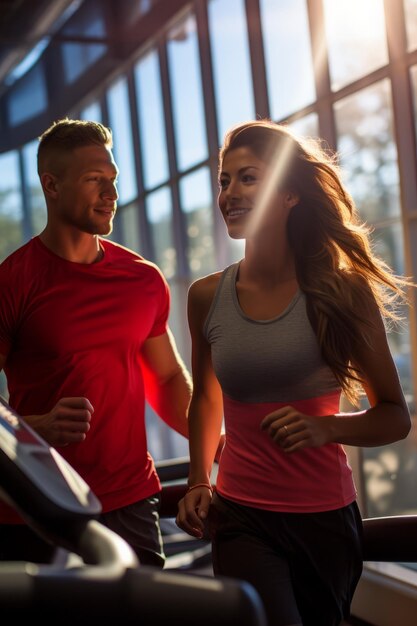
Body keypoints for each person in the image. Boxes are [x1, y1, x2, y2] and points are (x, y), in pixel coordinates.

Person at [176, 119, 413, 626]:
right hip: (239, 516)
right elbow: (206, 397)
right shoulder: (204, 297)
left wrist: (327, 427)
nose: (230, 193)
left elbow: (395, 418)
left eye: (249, 178)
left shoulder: (341, 293)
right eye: (224, 179)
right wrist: (199, 480)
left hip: (324, 519)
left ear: (290, 195)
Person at [0, 118, 193, 567]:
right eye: (93, 181)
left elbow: (164, 377)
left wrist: (217, 442)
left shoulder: (143, 279)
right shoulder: (12, 283)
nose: (111, 194)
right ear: (51, 185)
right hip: (35, 502)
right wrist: (33, 429)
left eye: (113, 180)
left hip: (131, 499)